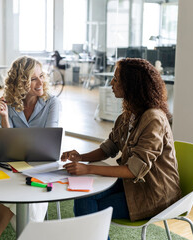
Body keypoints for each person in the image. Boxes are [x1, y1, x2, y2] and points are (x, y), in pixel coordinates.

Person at [61, 58, 182, 225]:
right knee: (84, 196)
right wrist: (80, 157)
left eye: (116, 79)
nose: (111, 83)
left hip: (154, 193)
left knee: (89, 210)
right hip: (132, 184)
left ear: (131, 85)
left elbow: (134, 170)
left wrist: (87, 168)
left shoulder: (153, 119)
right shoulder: (129, 114)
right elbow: (109, 148)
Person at [0, 56, 60, 240]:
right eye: (33, 78)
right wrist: (4, 117)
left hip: (42, 164)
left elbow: (49, 139)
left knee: (16, 189)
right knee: (15, 183)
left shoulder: (52, 103)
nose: (40, 82)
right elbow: (8, 142)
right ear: (21, 82)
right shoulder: (10, 103)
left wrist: (20, 145)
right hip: (16, 162)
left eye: (41, 76)